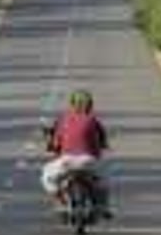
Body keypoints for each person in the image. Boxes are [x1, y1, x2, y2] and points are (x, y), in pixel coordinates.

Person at [41, 89, 111, 217]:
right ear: (90, 105)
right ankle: (102, 206)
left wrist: (53, 147)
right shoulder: (93, 120)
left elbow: (55, 143)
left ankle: (60, 202)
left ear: (72, 104)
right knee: (104, 180)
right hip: (88, 161)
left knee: (47, 176)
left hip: (66, 161)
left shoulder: (63, 119)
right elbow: (103, 142)